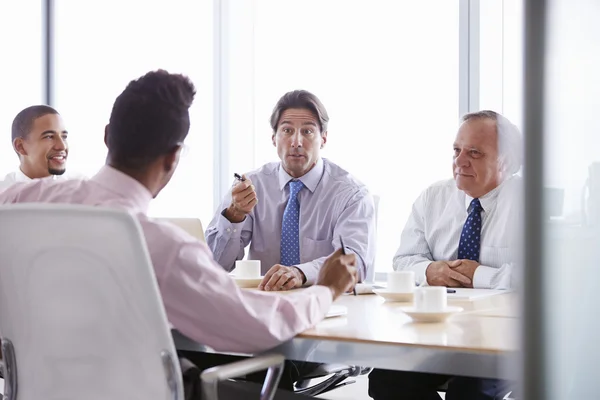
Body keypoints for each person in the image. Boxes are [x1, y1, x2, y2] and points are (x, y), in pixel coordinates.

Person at [0, 70, 357, 400]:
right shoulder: (161, 248)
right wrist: (325, 290)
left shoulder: (19, 200)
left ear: (108, 136)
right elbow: (259, 329)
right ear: (173, 158)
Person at [368, 110, 522, 400]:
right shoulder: (433, 197)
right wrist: (429, 271)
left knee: (470, 392)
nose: (459, 161)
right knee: (386, 379)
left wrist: (478, 275)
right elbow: (404, 260)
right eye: (456, 150)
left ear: (506, 162)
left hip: (503, 338)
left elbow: (542, 278)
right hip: (436, 330)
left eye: (474, 153)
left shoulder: (529, 203)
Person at [205, 90, 377, 292]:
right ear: (273, 138)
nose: (296, 142)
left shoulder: (351, 194)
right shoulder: (251, 186)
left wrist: (300, 273)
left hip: (327, 305)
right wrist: (234, 216)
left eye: (307, 131)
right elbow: (213, 265)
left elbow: (353, 263)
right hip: (264, 304)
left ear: (323, 139)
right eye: (287, 131)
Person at [2, 105, 81, 185]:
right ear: (20, 146)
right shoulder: (3, 193)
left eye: (64, 137)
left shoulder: (79, 187)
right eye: (49, 137)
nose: (62, 146)